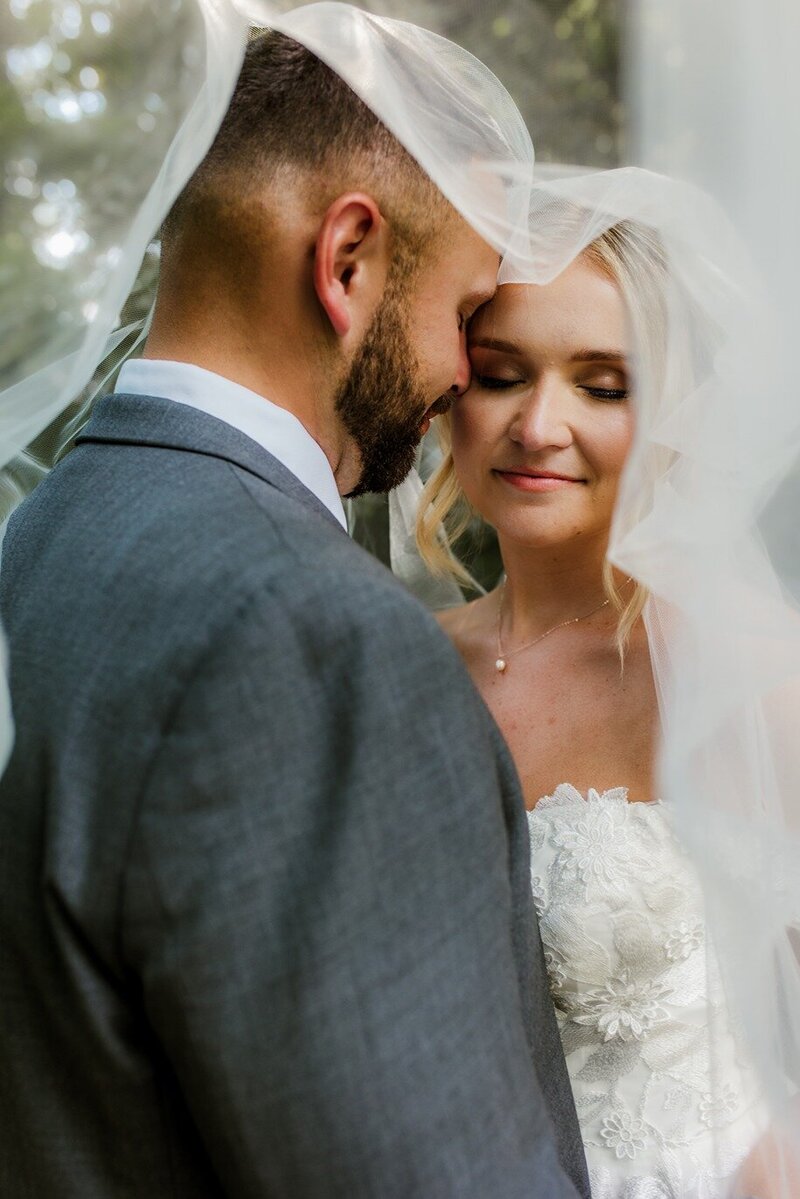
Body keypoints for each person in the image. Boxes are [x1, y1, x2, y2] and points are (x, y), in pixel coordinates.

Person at [0, 26, 591, 1199]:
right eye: (464, 311)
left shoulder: (42, 537)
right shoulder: (318, 640)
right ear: (349, 260)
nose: (461, 373)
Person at [417, 218, 774, 1196]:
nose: (537, 424)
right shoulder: (406, 662)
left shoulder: (744, 670)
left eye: (601, 384)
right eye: (499, 373)